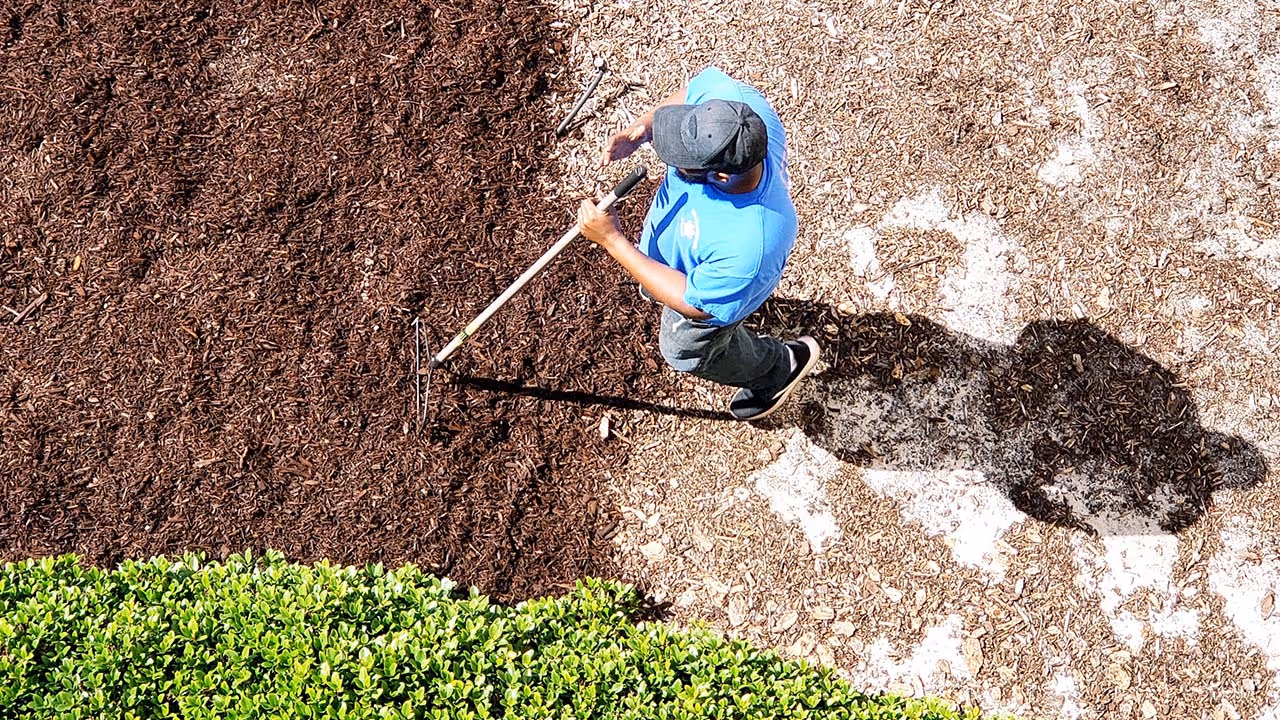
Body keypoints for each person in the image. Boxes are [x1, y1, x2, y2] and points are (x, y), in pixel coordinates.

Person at [577, 66, 819, 421]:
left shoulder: (751, 245)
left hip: (705, 292)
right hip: (695, 258)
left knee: (683, 351)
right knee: (677, 286)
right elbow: (692, 93)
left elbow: (694, 302)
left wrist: (613, 241)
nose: (668, 156)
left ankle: (779, 368)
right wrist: (643, 129)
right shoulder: (735, 109)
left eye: (681, 160)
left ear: (721, 175)